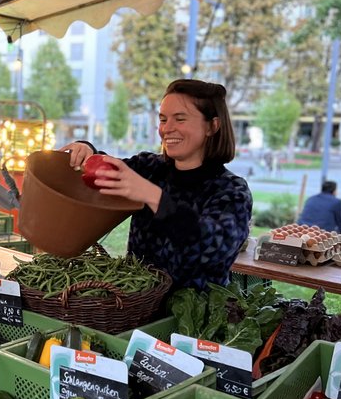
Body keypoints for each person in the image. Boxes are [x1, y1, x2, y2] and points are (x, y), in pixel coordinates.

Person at [61, 79, 253, 291]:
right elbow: (105, 170)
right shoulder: (150, 167)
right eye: (163, 119)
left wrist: (153, 196)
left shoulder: (232, 191)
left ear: (212, 126)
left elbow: (209, 247)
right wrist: (87, 151)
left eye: (180, 119)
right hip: (138, 303)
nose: (166, 129)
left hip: (197, 309)